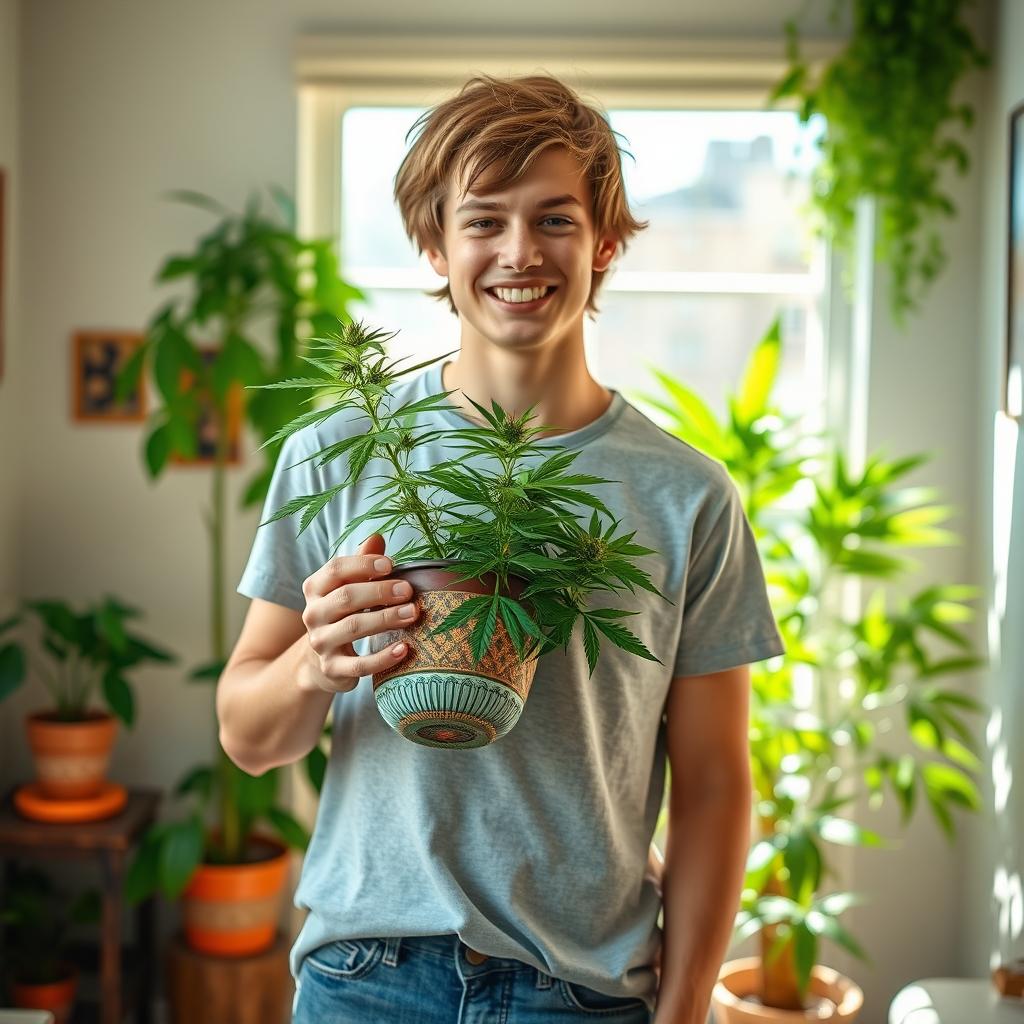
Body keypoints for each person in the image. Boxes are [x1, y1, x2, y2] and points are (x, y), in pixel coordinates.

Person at [217, 72, 785, 1024]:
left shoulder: (687, 497)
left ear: (605, 242)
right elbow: (247, 735)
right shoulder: (338, 451)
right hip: (368, 974)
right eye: (483, 220)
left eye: (554, 219)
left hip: (583, 989)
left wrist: (686, 1007)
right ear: (434, 244)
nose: (519, 252)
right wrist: (316, 662)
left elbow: (718, 780)